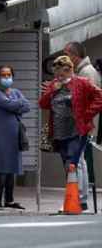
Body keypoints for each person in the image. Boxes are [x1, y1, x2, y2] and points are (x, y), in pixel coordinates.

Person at [39, 55, 102, 206]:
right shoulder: (55, 84)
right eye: (56, 74)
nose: (59, 77)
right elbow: (43, 104)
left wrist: (87, 114)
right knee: (68, 164)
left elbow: (99, 96)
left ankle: (79, 199)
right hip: (60, 131)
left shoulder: (81, 83)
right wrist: (51, 91)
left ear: (70, 71)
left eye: (62, 74)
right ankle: (76, 196)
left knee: (75, 163)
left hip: (76, 130)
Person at [0, 66, 30, 210]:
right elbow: (8, 105)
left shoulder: (16, 92)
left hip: (14, 135)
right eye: (3, 75)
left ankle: (9, 200)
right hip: (0, 135)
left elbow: (27, 106)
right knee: (1, 168)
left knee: (12, 168)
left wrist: (15, 104)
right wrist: (18, 104)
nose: (6, 77)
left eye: (9, 74)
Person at [64, 42, 100, 210]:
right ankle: (80, 197)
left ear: (74, 55)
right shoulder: (83, 71)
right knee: (80, 160)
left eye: (66, 54)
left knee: (79, 161)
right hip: (83, 122)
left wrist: (84, 116)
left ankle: (80, 197)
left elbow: (93, 98)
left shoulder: (86, 72)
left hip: (83, 124)